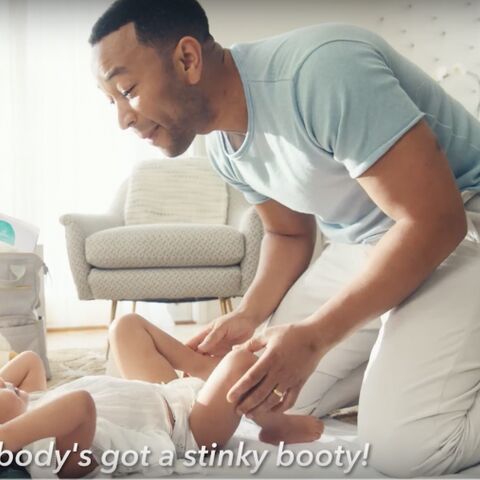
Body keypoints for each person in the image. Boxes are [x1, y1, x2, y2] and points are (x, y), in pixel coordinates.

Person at [89, 0, 480, 476]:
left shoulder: (322, 72)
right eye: (112, 102)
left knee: (406, 447)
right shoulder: (224, 147)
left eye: (127, 91)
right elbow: (288, 232)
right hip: (367, 244)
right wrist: (251, 314)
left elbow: (436, 221)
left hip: (460, 221)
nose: (123, 119)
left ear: (187, 59)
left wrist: (316, 337)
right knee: (262, 392)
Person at [0, 318, 324, 478]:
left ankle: (201, 368)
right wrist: (5, 437)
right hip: (188, 428)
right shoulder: (45, 447)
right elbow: (79, 405)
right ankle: (273, 424)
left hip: (161, 391)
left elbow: (29, 360)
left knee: (125, 326)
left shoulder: (30, 401)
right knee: (240, 363)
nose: (6, 382)